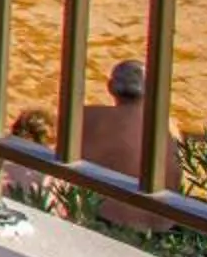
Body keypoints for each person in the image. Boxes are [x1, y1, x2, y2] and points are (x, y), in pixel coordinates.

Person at [80, 60, 188, 232]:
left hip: (110, 225)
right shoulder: (168, 126)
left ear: (110, 87)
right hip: (166, 228)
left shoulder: (87, 117)